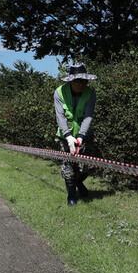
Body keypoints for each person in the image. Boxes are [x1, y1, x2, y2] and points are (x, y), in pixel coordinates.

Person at [54, 63, 97, 206]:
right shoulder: (59, 92)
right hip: (65, 135)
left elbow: (88, 116)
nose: (81, 84)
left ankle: (78, 183)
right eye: (78, 81)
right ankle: (71, 195)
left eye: (84, 81)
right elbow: (60, 116)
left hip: (84, 135)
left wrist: (80, 136)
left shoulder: (90, 93)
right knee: (69, 166)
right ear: (71, 81)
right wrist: (67, 136)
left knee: (89, 165)